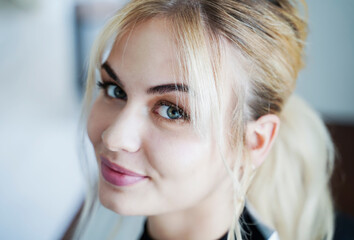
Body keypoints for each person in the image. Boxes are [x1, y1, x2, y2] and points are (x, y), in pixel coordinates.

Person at [72, 0, 336, 239]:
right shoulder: (89, 219)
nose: (114, 138)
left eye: (172, 111)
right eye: (114, 90)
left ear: (254, 142)